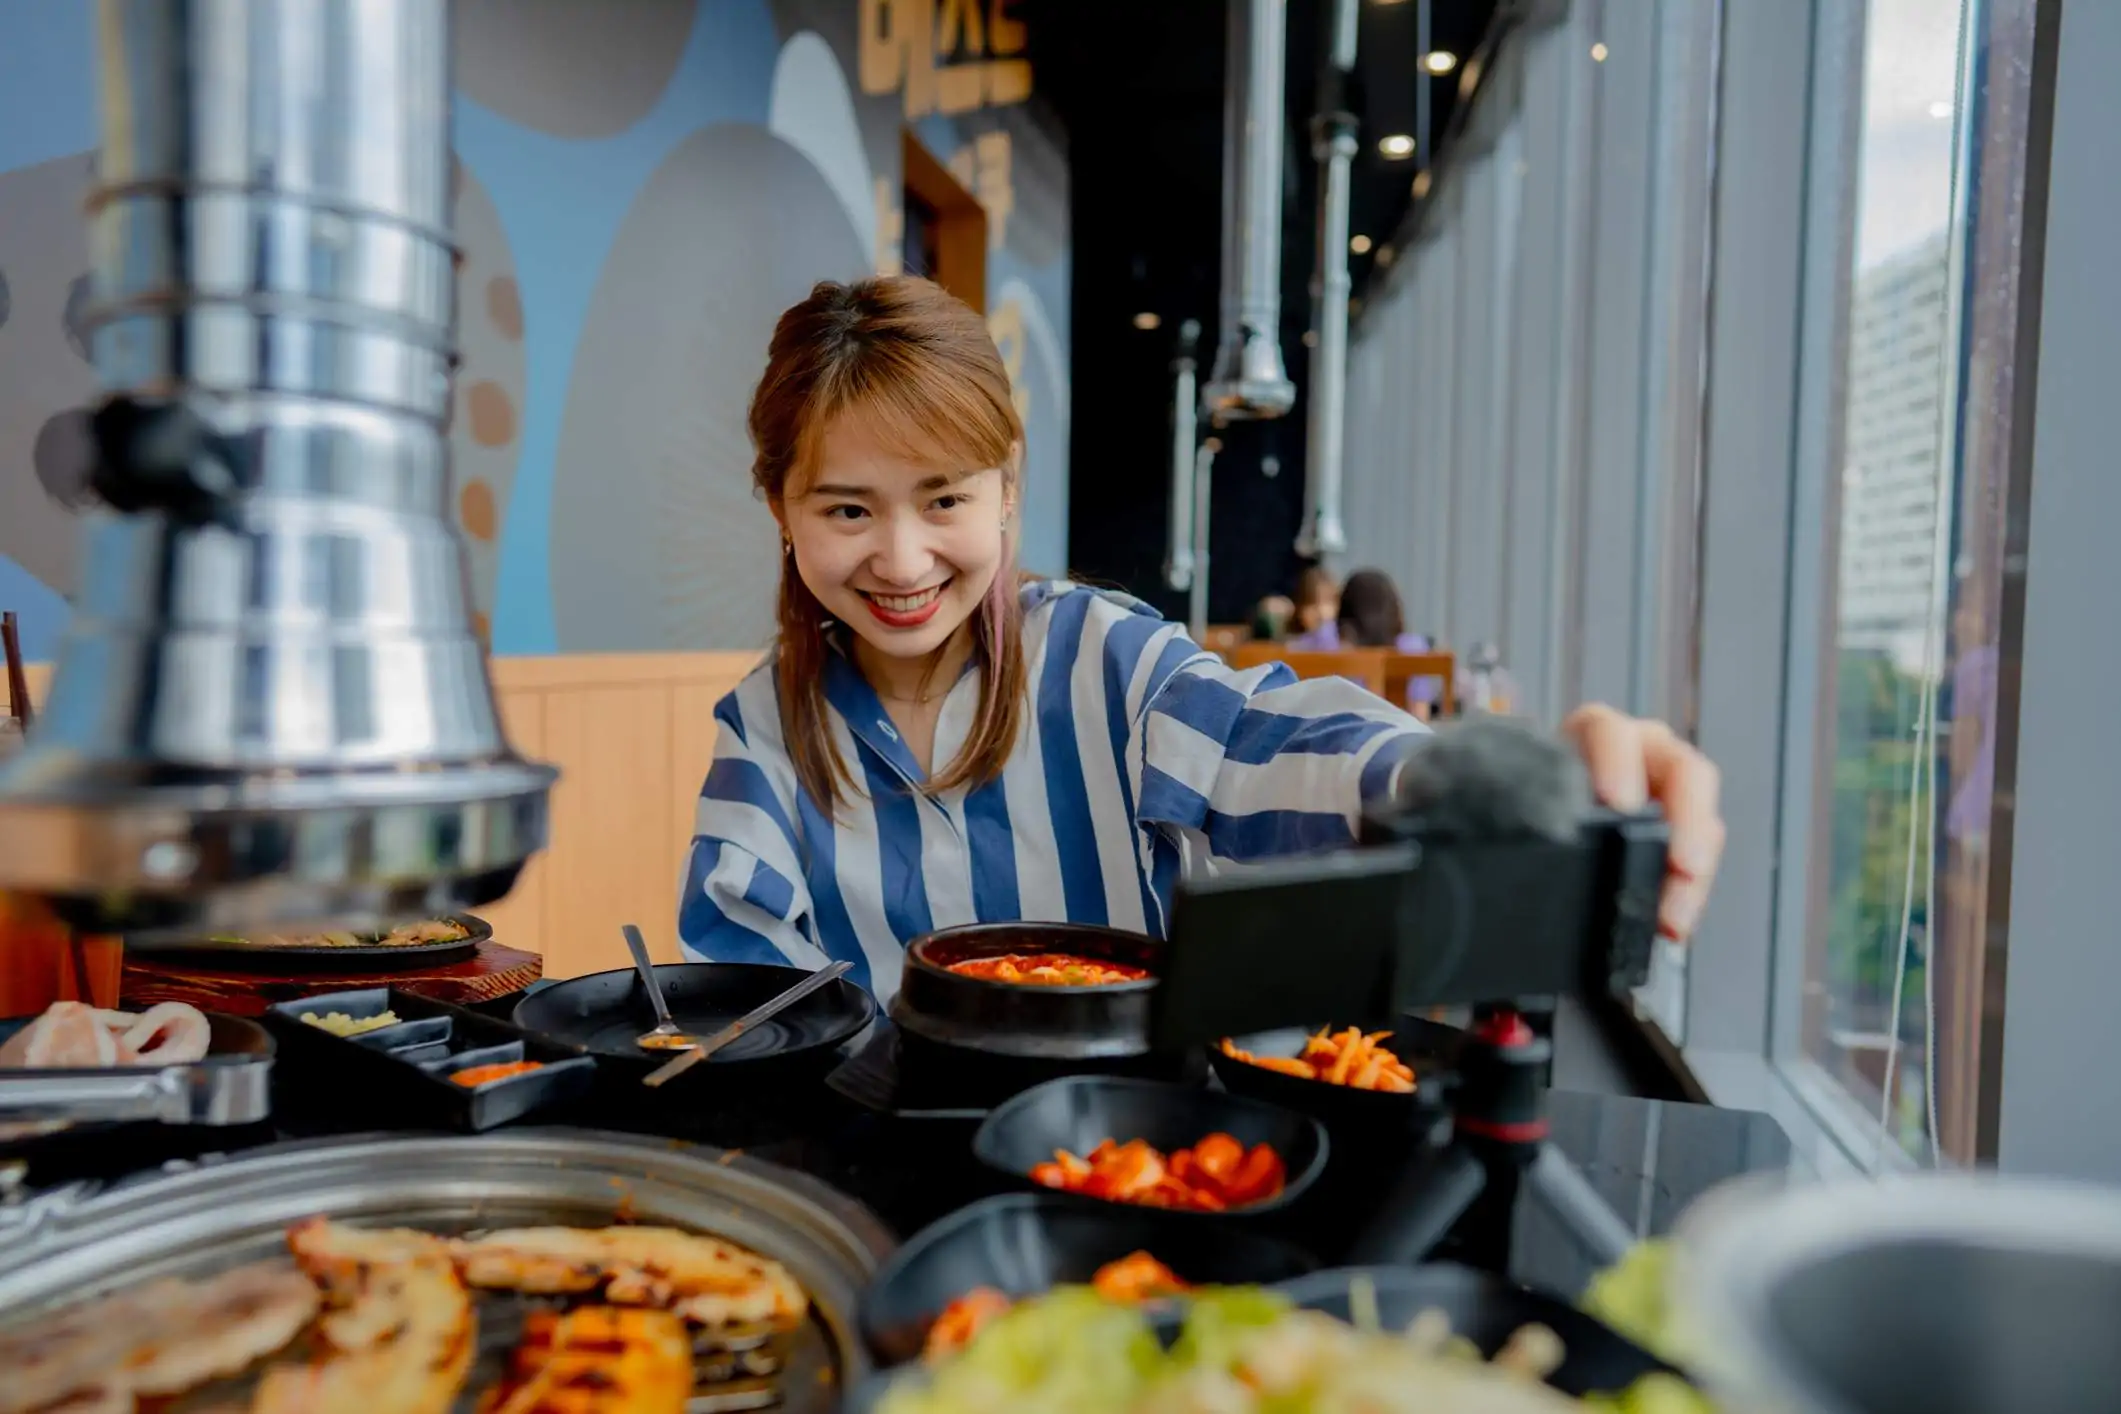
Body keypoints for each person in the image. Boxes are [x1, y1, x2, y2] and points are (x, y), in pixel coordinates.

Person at [678, 276, 1725, 1003]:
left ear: (1007, 490)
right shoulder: (764, 732)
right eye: (848, 511)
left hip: (1134, 1170)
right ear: (781, 505)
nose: (903, 561)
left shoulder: (1105, 661)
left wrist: (1495, 780)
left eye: (943, 497)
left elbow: (1280, 749)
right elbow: (748, 997)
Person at [1291, 568, 1445, 716]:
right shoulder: (1413, 649)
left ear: (1343, 608)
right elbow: (1420, 715)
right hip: (1395, 738)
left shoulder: (1323, 641)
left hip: (1332, 739)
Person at [1291, 566, 1339, 639]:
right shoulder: (1290, 645)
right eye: (1312, 604)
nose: (1320, 610)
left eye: (1326, 602)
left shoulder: (1343, 640)